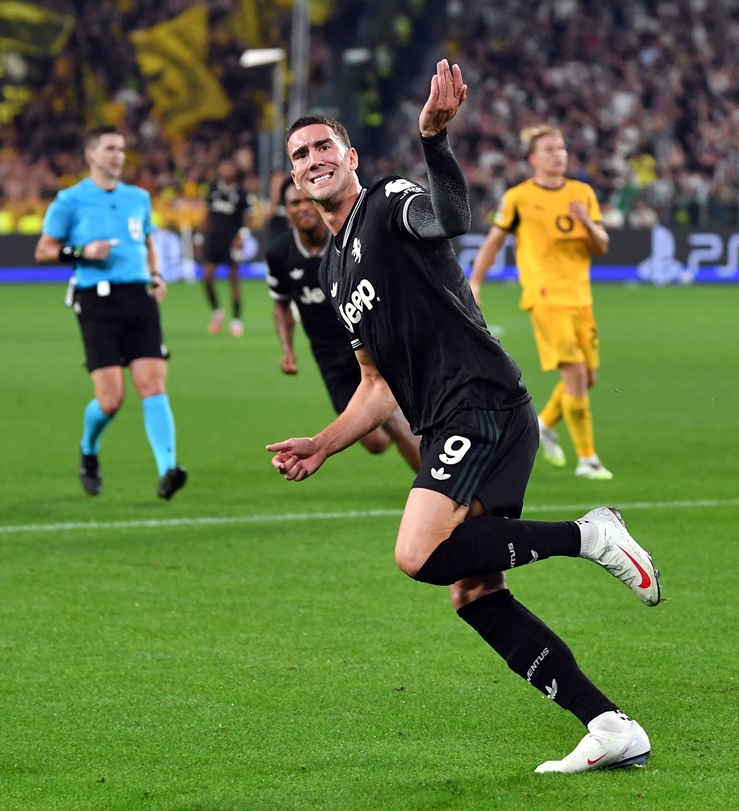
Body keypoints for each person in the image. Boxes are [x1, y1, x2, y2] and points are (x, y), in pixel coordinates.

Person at [268, 61, 662, 774]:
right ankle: (608, 724)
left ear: (350, 156)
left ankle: (590, 534)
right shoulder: (333, 268)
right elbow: (376, 383)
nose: (313, 160)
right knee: (472, 590)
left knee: (415, 553)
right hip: (463, 414)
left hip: (477, 400)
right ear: (292, 177)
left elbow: (452, 217)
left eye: (324, 146)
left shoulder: (388, 202)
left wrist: (434, 140)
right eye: (300, 155)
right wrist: (324, 443)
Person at [34, 126, 187, 500]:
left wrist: (155, 275)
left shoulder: (138, 198)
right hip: (97, 300)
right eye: (109, 148)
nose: (118, 155)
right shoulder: (69, 201)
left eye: (121, 148)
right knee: (110, 401)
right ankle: (89, 450)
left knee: (152, 385)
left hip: (139, 297)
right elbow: (44, 250)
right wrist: (81, 252)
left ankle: (168, 469)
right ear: (90, 155)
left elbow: (148, 240)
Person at [469, 125, 615, 480]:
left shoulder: (582, 193)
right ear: (533, 158)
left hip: (581, 296)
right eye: (549, 149)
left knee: (588, 378)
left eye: (562, 148)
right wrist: (473, 281)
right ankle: (588, 459)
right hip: (545, 296)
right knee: (576, 373)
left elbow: (602, 245)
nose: (558, 155)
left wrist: (587, 223)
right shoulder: (519, 198)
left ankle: (545, 422)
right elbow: (492, 242)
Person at [265, 179, 422, 472]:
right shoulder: (279, 254)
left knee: (397, 425)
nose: (302, 208)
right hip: (330, 357)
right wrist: (287, 350)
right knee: (374, 441)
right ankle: (394, 412)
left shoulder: (348, 241)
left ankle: (444, 492)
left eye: (305, 200)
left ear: (317, 202)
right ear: (287, 212)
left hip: (369, 345)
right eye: (293, 203)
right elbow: (281, 303)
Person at [201, 159, 256, 337]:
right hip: (213, 239)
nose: (225, 170)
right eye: (222, 167)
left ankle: (236, 319)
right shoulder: (213, 188)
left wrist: (243, 235)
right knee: (207, 277)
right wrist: (199, 236)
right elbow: (206, 213)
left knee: (234, 280)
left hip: (232, 241)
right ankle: (217, 311)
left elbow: (249, 217)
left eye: (228, 167)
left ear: (234, 171)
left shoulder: (241, 192)